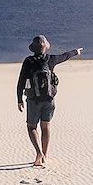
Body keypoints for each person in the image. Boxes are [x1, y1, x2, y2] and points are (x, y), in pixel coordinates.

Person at [17, 35, 82, 167]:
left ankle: (38, 153)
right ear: (45, 47)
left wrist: (19, 99)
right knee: (45, 127)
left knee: (31, 127)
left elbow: (21, 81)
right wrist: (76, 51)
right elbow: (65, 56)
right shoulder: (50, 59)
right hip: (49, 99)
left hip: (33, 100)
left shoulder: (28, 61)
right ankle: (45, 156)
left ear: (33, 49)